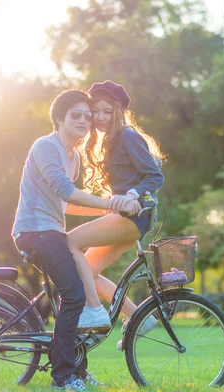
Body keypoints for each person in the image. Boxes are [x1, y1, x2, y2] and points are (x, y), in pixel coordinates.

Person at [11, 89, 138, 391]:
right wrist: (112, 203)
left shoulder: (74, 156)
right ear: (59, 119)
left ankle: (77, 370)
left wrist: (111, 205)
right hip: (34, 232)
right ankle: (64, 377)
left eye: (87, 115)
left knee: (76, 291)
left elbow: (66, 203)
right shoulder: (46, 147)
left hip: (52, 232)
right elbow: (66, 191)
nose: (84, 120)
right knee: (74, 295)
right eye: (76, 115)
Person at [67, 81, 165, 351]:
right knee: (86, 271)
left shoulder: (127, 136)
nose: (99, 117)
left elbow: (155, 176)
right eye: (95, 111)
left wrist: (133, 194)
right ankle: (137, 317)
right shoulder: (109, 141)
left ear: (118, 112)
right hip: (125, 217)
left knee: (69, 243)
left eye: (106, 111)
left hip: (134, 217)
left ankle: (94, 311)